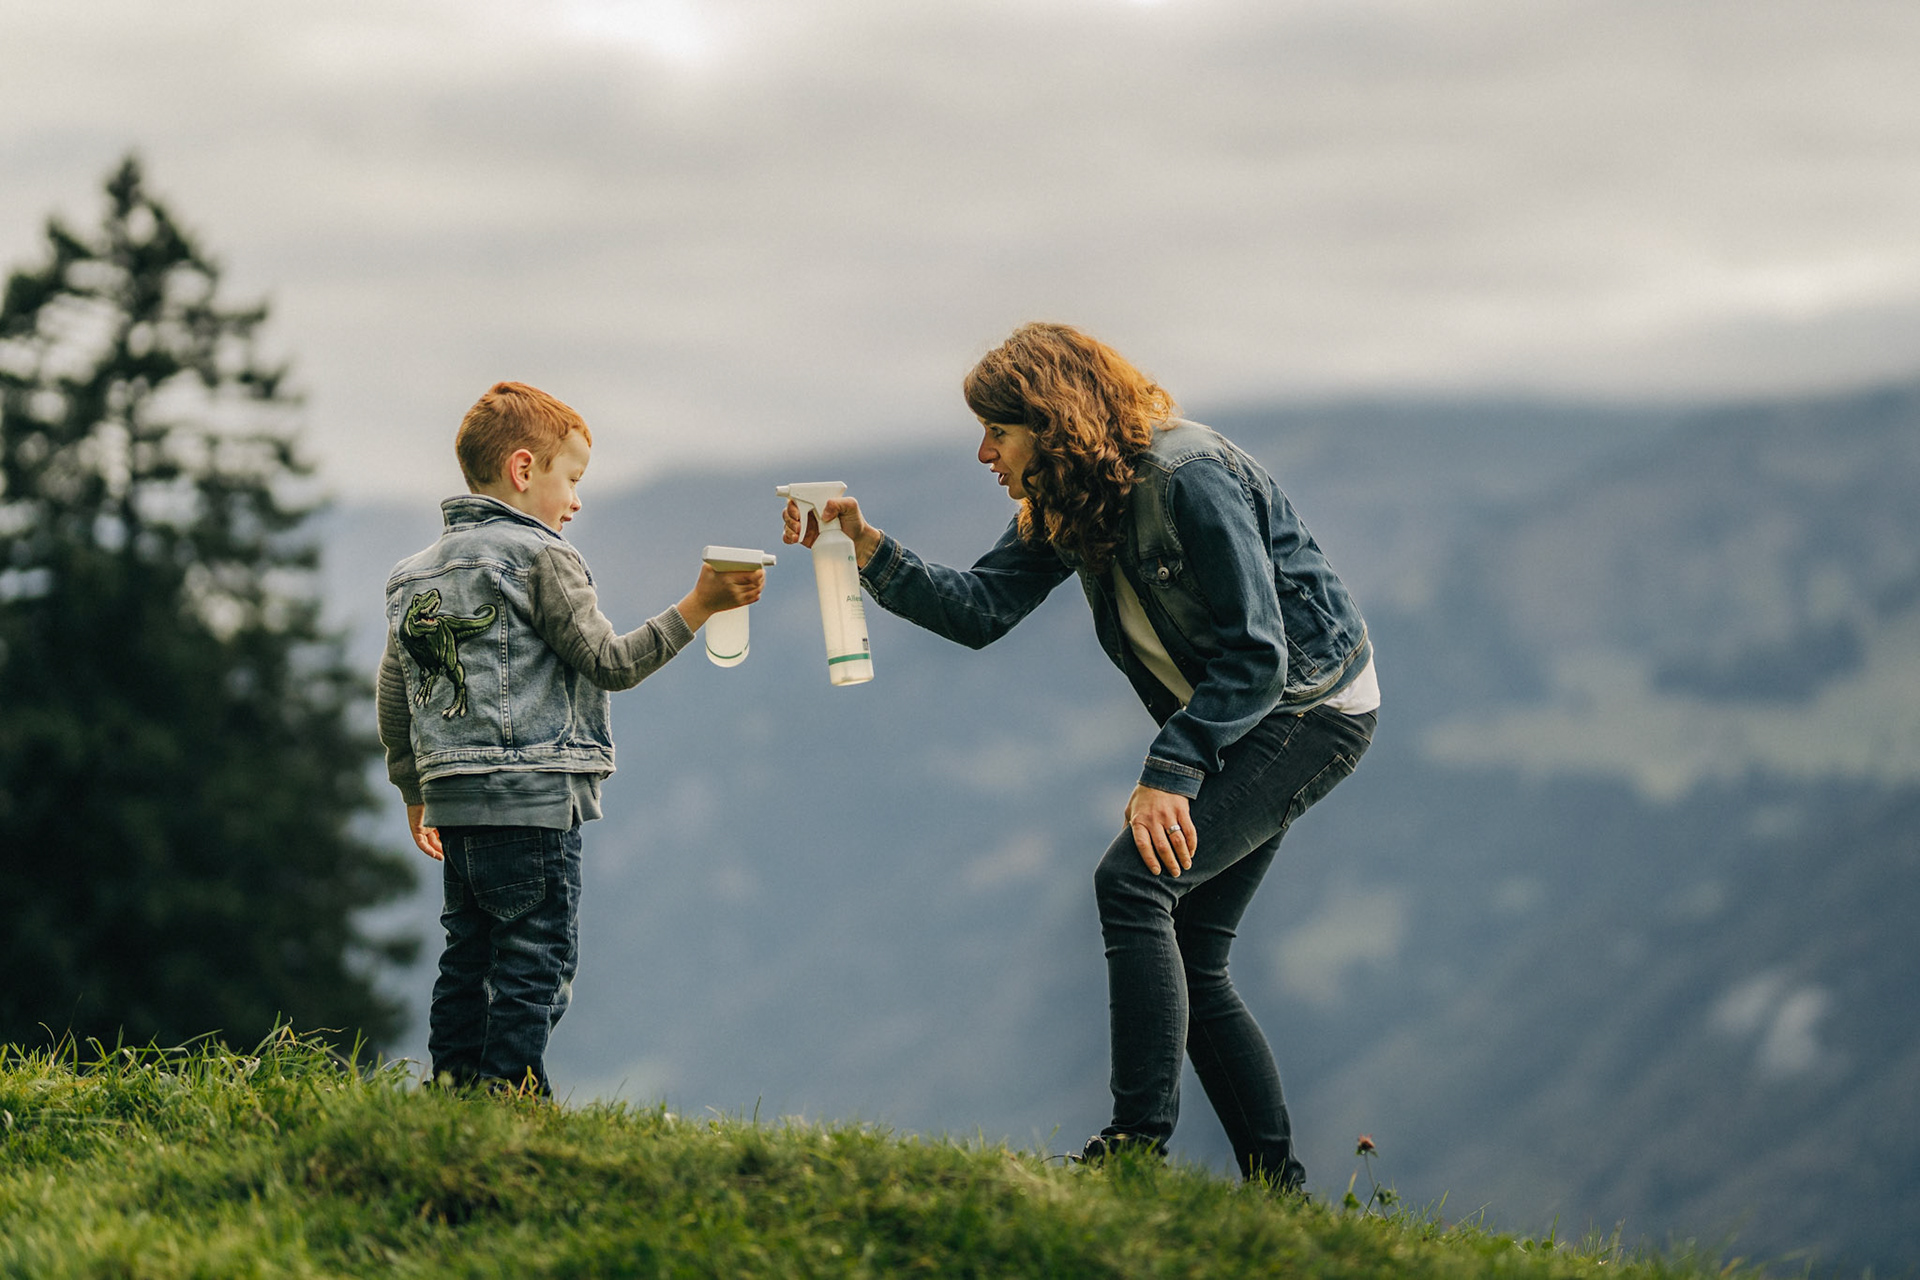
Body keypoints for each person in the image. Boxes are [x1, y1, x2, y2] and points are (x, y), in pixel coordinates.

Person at [783, 324, 1377, 1188]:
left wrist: (1170, 773)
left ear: (1053, 420)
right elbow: (981, 609)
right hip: (1237, 713)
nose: (984, 453)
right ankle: (1275, 1188)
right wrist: (865, 547)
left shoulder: (1188, 476)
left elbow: (1259, 655)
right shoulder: (1074, 496)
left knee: (1134, 882)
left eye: (998, 431)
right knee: (1191, 946)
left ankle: (1133, 1148)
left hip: (1308, 708)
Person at [379, 381, 763, 1094]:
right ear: (525, 470)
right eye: (574, 479)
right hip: (532, 804)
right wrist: (701, 604)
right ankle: (511, 1094)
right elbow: (609, 663)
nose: (577, 501)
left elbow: (397, 692)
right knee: (536, 958)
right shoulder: (544, 558)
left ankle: (454, 1090)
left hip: (454, 803)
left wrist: (413, 789)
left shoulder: (412, 576)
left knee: (468, 956)